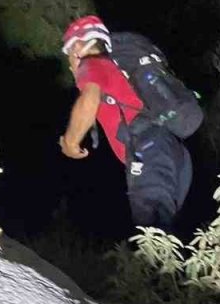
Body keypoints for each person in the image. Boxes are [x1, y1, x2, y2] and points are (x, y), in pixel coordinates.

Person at [58, 15, 193, 230]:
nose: (71, 67)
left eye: (69, 58)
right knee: (163, 228)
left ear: (79, 46)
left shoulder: (91, 64)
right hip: (171, 150)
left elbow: (88, 100)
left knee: (151, 231)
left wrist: (70, 142)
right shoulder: (115, 69)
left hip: (148, 149)